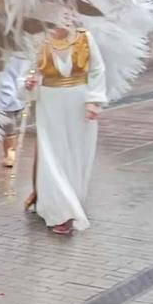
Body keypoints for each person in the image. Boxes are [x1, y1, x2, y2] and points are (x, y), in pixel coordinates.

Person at [23, 24, 106, 236]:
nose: (65, 19)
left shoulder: (85, 37)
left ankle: (73, 201)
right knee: (52, 154)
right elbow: (25, 74)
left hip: (80, 103)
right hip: (50, 102)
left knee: (78, 154)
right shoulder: (37, 40)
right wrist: (28, 84)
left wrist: (94, 101)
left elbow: (97, 69)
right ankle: (58, 212)